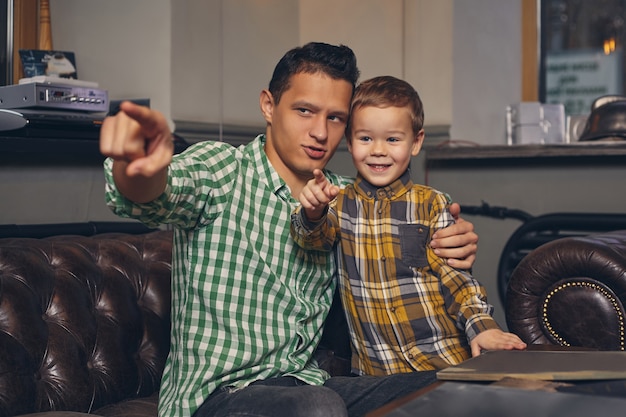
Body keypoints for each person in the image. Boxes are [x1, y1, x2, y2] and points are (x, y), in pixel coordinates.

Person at [99, 42, 479, 417]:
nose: (319, 132)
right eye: (304, 111)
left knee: (452, 386)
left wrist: (447, 236)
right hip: (218, 397)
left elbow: (404, 228)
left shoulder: (347, 199)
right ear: (269, 105)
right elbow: (150, 196)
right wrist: (139, 167)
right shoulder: (223, 169)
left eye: (335, 118)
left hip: (306, 382)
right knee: (318, 405)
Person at [291, 75, 526, 377]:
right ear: (349, 142)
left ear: (416, 142)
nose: (378, 150)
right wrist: (312, 212)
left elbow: (456, 280)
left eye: (392, 139)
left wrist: (481, 327)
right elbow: (312, 238)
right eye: (365, 138)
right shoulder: (337, 204)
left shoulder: (432, 204)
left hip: (445, 360)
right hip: (379, 376)